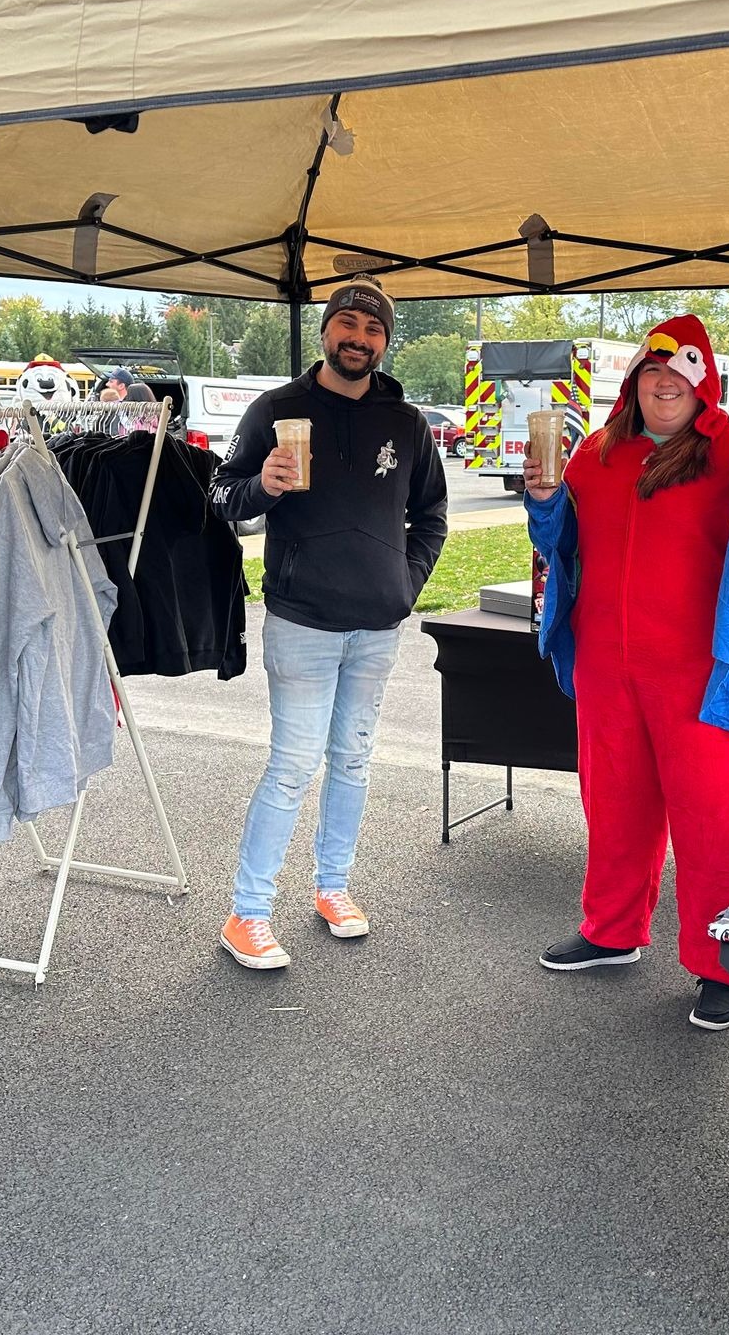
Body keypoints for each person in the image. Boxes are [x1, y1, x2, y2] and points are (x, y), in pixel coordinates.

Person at [523, 314, 729, 1031]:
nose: (665, 383)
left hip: (701, 673)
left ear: (703, 385)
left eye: (681, 374)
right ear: (634, 382)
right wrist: (543, 502)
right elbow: (560, 546)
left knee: (712, 818)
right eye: (654, 372)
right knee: (615, 802)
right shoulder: (595, 453)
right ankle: (611, 930)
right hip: (608, 667)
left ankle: (723, 965)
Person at [209, 277, 448, 969]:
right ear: (325, 331)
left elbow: (430, 515)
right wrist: (263, 487)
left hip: (377, 625)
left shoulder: (405, 424)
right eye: (348, 325)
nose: (359, 339)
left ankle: (333, 887)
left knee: (352, 760)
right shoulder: (277, 409)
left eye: (373, 330)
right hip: (303, 622)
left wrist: (406, 583)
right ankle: (247, 914)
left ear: (384, 341)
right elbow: (222, 497)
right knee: (292, 766)